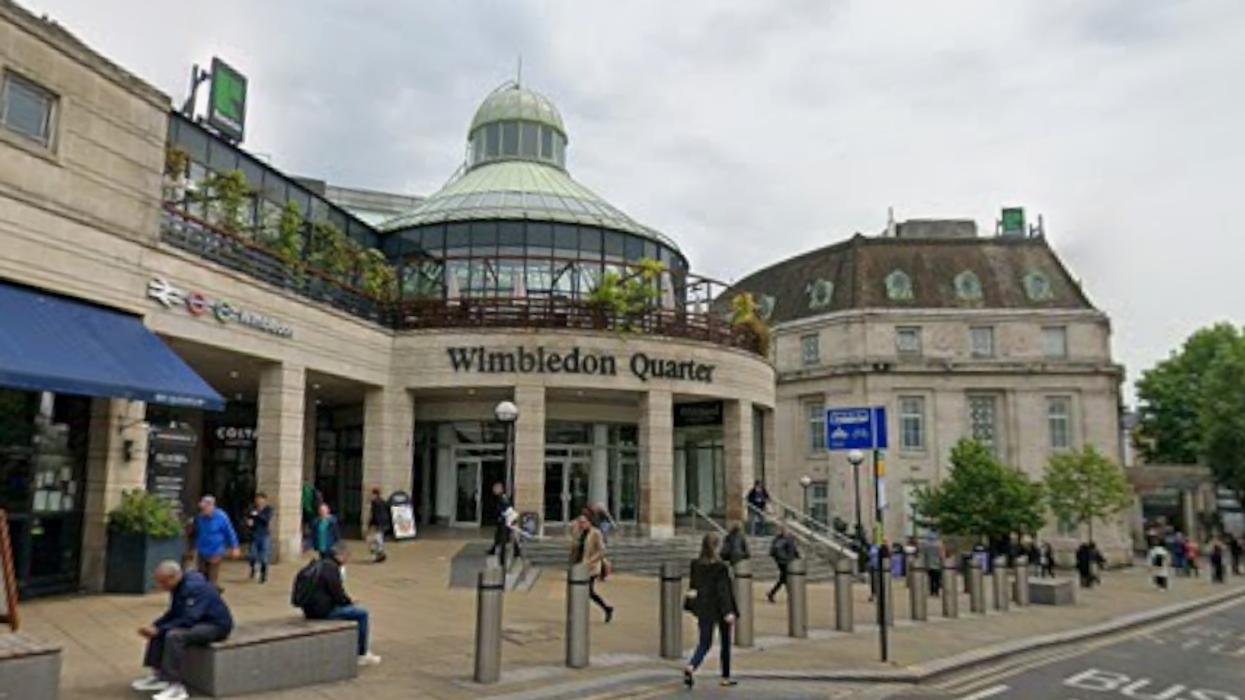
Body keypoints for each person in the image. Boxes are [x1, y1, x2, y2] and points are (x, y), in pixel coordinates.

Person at [130, 561, 233, 700]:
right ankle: (159, 675)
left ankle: (176, 686)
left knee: (174, 635)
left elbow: (189, 618)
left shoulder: (194, 588)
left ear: (173, 577)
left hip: (215, 626)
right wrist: (156, 626)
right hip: (199, 621)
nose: (161, 587)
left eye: (163, 582)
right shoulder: (179, 586)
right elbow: (174, 612)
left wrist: (161, 630)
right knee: (159, 629)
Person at [297, 544, 382, 666]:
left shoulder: (318, 564)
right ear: (340, 556)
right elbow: (338, 595)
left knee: (352, 610)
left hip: (309, 609)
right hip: (323, 611)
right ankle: (362, 653)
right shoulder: (332, 569)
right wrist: (350, 602)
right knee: (362, 614)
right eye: (347, 556)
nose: (347, 560)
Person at [683, 532, 739, 689]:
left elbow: (693, 586)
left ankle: (691, 666)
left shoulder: (696, 564)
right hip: (720, 609)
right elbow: (723, 591)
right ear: (716, 546)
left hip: (704, 607)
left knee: (704, 643)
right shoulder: (721, 567)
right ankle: (725, 677)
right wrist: (729, 612)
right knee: (725, 643)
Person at [191, 496, 240, 587]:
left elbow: (230, 532)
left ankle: (212, 593)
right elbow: (196, 532)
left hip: (215, 551)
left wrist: (235, 547)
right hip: (202, 550)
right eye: (202, 508)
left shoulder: (222, 517)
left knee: (212, 577)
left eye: (205, 508)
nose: (203, 511)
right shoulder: (200, 517)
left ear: (211, 506)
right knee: (201, 576)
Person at [576, 515, 615, 622]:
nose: (581, 524)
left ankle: (607, 609)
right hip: (580, 567)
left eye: (583, 522)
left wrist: (591, 561)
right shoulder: (580, 533)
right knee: (583, 591)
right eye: (579, 522)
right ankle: (606, 609)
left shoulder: (595, 533)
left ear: (589, 522)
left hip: (590, 567)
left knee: (588, 591)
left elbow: (602, 550)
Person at [487, 482, 520, 568]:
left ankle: (503, 558)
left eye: (496, 489)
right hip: (504, 521)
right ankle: (515, 552)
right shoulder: (499, 498)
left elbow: (507, 510)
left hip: (506, 522)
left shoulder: (503, 497)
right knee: (499, 537)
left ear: (500, 489)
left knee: (503, 539)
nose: (494, 490)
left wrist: (504, 517)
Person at [244, 492, 273, 583]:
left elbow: (266, 519)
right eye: (257, 499)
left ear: (264, 500)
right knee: (252, 556)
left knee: (264, 557)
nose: (258, 501)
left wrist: (257, 515)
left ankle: (263, 575)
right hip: (254, 535)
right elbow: (248, 518)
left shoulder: (268, 509)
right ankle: (253, 569)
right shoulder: (252, 508)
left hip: (265, 535)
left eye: (260, 499)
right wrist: (248, 523)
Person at [766, 526, 799, 604]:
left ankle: (772, 593)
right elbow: (776, 551)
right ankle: (790, 596)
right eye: (785, 531)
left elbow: (793, 550)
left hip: (788, 561)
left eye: (788, 531)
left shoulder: (790, 539)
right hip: (783, 562)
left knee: (784, 579)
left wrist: (797, 557)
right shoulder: (779, 540)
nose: (787, 532)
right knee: (786, 578)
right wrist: (785, 559)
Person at [367, 488, 391, 564]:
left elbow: (375, 515)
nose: (370, 496)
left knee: (374, 540)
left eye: (372, 494)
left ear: (375, 494)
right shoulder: (383, 501)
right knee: (379, 538)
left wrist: (371, 524)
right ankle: (379, 554)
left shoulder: (375, 503)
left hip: (378, 523)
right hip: (383, 523)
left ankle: (379, 554)